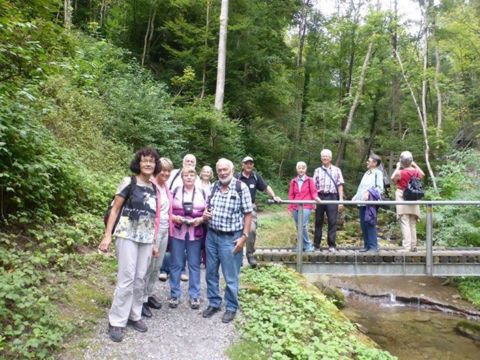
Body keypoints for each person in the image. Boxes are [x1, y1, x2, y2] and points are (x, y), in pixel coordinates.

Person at [99, 148, 161, 343]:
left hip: (145, 238)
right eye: (145, 161)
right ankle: (116, 321)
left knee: (140, 278)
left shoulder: (154, 188)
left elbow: (153, 218)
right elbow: (115, 209)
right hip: (126, 235)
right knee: (126, 277)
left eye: (152, 161)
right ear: (139, 163)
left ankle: (134, 315)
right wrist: (107, 236)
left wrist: (153, 241)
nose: (148, 164)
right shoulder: (129, 182)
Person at [202, 158, 253, 323]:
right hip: (211, 236)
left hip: (230, 238)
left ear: (232, 170)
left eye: (225, 170)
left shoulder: (241, 187)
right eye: (220, 170)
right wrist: (205, 214)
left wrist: (244, 237)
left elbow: (248, 213)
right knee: (210, 272)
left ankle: (231, 307)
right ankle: (214, 303)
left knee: (230, 276)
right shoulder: (214, 186)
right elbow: (208, 207)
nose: (222, 173)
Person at [168, 166, 206, 310]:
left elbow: (208, 212)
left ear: (195, 177)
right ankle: (174, 294)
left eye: (191, 174)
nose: (189, 177)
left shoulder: (202, 192)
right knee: (176, 264)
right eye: (186, 175)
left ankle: (194, 295)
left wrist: (201, 220)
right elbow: (167, 210)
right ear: (182, 177)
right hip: (178, 232)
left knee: (194, 265)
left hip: (195, 233)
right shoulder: (175, 191)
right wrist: (175, 218)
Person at [141, 157, 173, 318]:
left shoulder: (165, 186)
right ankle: (140, 301)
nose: (166, 173)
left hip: (165, 230)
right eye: (163, 170)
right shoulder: (151, 186)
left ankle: (148, 294)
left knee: (157, 266)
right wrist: (153, 237)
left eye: (168, 170)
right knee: (147, 266)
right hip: (153, 231)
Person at [159, 154, 199, 282]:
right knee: (169, 245)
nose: (189, 163)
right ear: (182, 162)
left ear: (195, 164)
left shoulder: (196, 178)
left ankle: (181, 269)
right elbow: (165, 187)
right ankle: (164, 269)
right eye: (187, 160)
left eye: (192, 161)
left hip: (190, 219)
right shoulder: (174, 173)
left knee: (185, 247)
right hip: (171, 213)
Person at [236, 156, 281, 267]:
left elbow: (266, 187)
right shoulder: (236, 177)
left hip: (250, 207)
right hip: (236, 207)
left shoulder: (255, 177)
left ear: (253, 165)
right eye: (246, 163)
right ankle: (238, 256)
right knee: (236, 230)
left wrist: (274, 196)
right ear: (242, 165)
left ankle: (250, 254)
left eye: (251, 163)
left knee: (251, 230)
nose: (249, 165)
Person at [391, 151, 425, 251]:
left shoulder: (400, 172)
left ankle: (406, 247)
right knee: (412, 223)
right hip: (414, 198)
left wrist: (398, 167)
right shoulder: (415, 171)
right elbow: (422, 174)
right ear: (411, 161)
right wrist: (415, 165)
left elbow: (393, 178)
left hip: (402, 196)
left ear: (401, 161)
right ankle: (413, 246)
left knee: (404, 221)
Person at [313, 149, 345, 252]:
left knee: (332, 221)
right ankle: (316, 245)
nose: (325, 158)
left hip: (332, 197)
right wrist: (313, 200)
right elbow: (313, 187)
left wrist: (340, 200)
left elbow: (340, 185)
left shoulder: (336, 170)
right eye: (323, 156)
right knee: (318, 221)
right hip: (320, 197)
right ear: (321, 158)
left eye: (326, 156)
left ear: (330, 158)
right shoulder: (317, 170)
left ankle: (332, 245)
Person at [352, 154, 384, 252]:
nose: (367, 162)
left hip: (371, 203)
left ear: (374, 163)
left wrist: (369, 193)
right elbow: (361, 188)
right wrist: (355, 197)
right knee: (363, 224)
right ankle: (367, 245)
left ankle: (373, 246)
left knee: (370, 223)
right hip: (362, 202)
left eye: (369, 161)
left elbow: (380, 188)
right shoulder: (367, 173)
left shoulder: (378, 173)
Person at [287, 161, 321, 252]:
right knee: (298, 226)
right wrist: (289, 207)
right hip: (295, 206)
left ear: (305, 169)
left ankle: (308, 245)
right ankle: (300, 245)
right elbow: (291, 195)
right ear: (296, 169)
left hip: (306, 205)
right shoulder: (293, 181)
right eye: (299, 168)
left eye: (303, 168)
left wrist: (316, 198)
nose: (301, 170)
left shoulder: (310, 180)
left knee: (303, 225)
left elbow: (314, 192)